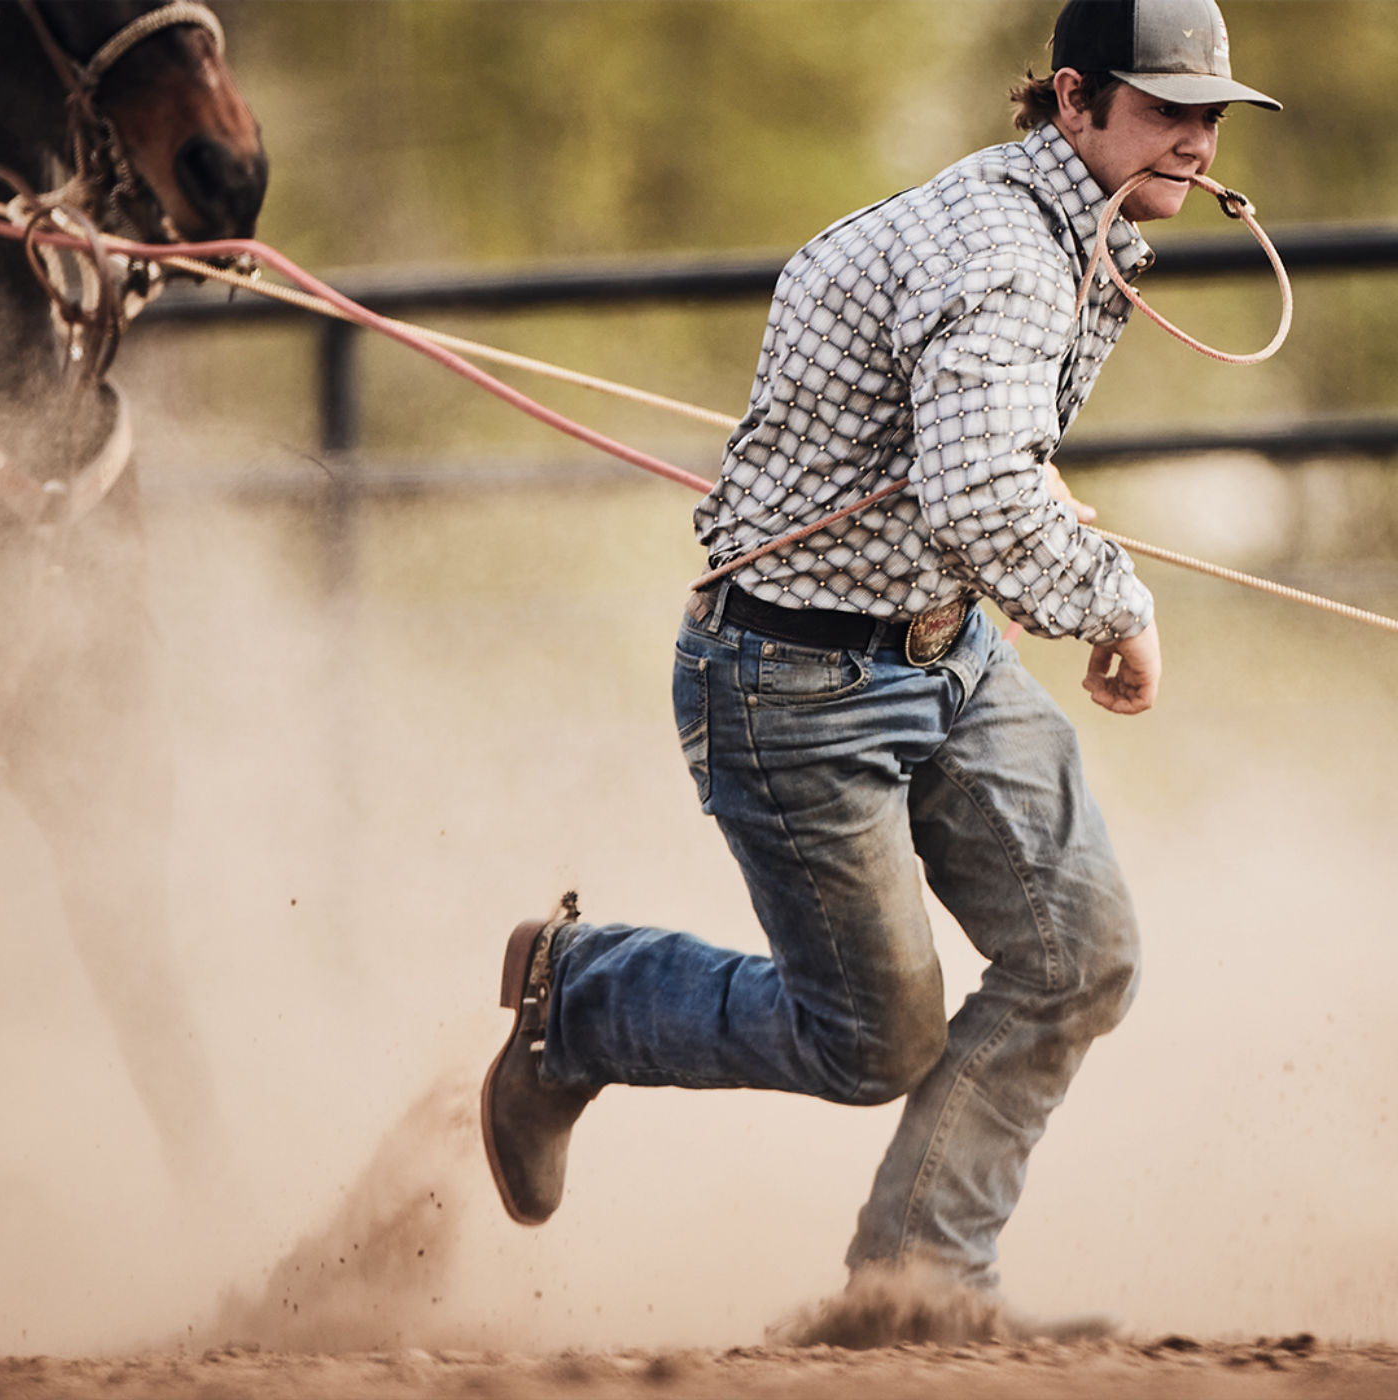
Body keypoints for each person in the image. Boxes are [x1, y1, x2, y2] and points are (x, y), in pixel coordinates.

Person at [481, 0, 1280, 1321]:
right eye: (1163, 109)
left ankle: (919, 1286)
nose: (1194, 139)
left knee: (1081, 955)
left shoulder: (1054, 220)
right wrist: (1116, 605)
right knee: (873, 1040)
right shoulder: (1007, 255)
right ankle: (583, 1001)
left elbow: (967, 452)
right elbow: (977, 491)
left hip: (942, 651)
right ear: (1073, 100)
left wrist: (1022, 498)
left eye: (1209, 114)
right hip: (791, 682)